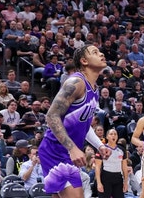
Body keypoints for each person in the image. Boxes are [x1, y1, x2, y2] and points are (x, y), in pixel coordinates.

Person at [38, 45, 112, 198]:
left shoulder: (95, 89)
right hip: (56, 150)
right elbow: (51, 116)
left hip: (66, 152)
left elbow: (84, 126)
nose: (101, 53)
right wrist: (72, 149)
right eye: (95, 52)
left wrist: (99, 145)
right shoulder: (76, 82)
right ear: (84, 61)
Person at [95, 129, 128, 198]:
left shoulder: (122, 149)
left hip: (118, 178)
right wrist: (99, 183)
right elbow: (97, 167)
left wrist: (125, 182)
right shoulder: (102, 149)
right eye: (111, 134)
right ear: (107, 136)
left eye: (115, 134)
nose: (113, 136)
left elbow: (124, 167)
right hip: (105, 178)